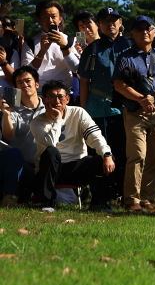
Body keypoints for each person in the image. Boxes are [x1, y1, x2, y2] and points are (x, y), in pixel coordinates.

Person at [113, 16, 155, 212]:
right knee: (137, 154)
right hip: (135, 112)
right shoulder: (125, 57)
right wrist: (142, 98)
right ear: (132, 34)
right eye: (140, 29)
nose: (144, 32)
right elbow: (119, 85)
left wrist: (153, 96)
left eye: (149, 28)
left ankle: (148, 198)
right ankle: (132, 200)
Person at [76, 7, 131, 210]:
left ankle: (121, 195)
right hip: (98, 109)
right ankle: (100, 199)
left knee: (123, 153)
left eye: (114, 20)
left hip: (125, 109)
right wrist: (83, 112)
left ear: (120, 22)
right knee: (99, 154)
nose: (110, 24)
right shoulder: (93, 49)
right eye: (105, 20)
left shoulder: (130, 44)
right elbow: (84, 81)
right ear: (99, 25)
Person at [31, 80, 115, 211]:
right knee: (51, 152)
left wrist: (106, 154)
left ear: (68, 99)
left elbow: (95, 136)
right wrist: (58, 119)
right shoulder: (37, 121)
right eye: (51, 96)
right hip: (50, 170)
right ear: (44, 100)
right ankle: (48, 203)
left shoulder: (78, 113)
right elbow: (50, 143)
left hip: (75, 167)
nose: (56, 101)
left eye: (60, 96)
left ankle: (99, 203)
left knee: (105, 157)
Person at [1, 66, 44, 204]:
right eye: (19, 82)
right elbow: (8, 136)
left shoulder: (49, 108)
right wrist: (6, 114)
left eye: (28, 80)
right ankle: (10, 197)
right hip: (22, 164)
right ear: (16, 88)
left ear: (37, 84)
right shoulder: (12, 109)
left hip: (45, 163)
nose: (24, 84)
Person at [21, 0, 79, 88]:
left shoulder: (71, 41)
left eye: (54, 16)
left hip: (65, 94)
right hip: (40, 94)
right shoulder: (30, 44)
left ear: (60, 19)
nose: (50, 21)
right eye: (45, 17)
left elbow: (76, 68)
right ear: (39, 20)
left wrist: (64, 46)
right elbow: (26, 73)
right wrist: (42, 51)